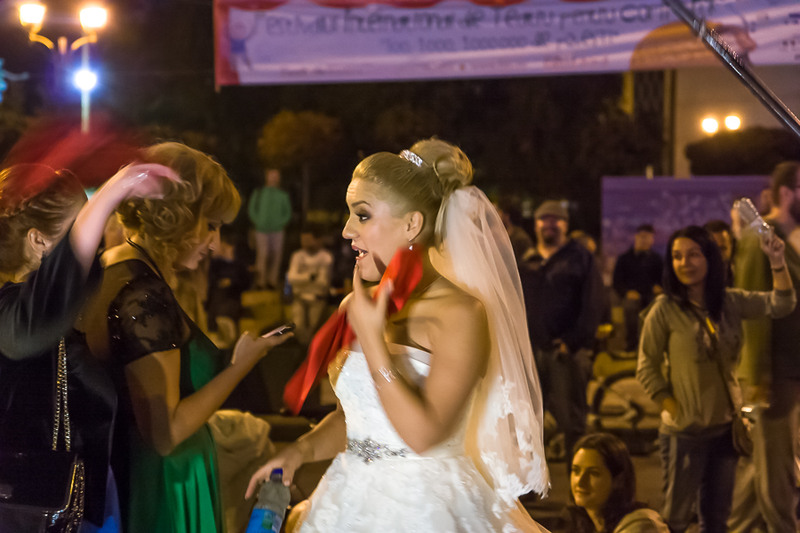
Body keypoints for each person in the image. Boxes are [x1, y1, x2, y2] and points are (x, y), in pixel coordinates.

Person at [247, 139, 549, 531]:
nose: (347, 230)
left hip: (428, 509)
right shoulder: (358, 305)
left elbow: (423, 434)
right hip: (348, 500)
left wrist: (374, 344)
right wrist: (298, 452)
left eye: (362, 215)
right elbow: (355, 419)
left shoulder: (461, 314)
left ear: (411, 225)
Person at [79, 142, 292, 533]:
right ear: (176, 216)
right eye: (210, 225)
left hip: (124, 477)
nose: (214, 242)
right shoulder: (145, 293)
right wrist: (240, 365)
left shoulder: (109, 265)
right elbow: (166, 435)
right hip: (163, 486)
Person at [0, 161, 178, 532]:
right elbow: (33, 322)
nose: (93, 241)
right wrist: (113, 191)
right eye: (81, 226)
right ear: (38, 241)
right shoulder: (13, 315)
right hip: (31, 512)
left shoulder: (50, 317)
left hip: (66, 502)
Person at [636, 225, 795, 533]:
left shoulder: (730, 302)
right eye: (677, 256)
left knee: (717, 520)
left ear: (710, 258)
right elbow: (646, 368)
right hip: (684, 434)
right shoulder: (664, 310)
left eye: (694, 254)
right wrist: (673, 407)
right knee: (676, 520)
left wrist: (777, 261)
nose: (685, 263)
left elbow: (782, 303)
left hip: (724, 431)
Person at [731, 161, 800, 533]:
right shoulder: (759, 237)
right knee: (777, 468)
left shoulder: (788, 237)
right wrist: (758, 376)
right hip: (774, 371)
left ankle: (734, 526)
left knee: (767, 462)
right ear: (787, 193)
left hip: (789, 369)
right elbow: (755, 309)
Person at [521, 199, 606, 472]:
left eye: (556, 219)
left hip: (565, 353)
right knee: (528, 422)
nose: (549, 224)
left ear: (566, 225)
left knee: (572, 423)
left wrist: (573, 341)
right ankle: (531, 485)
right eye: (543, 219)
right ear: (535, 225)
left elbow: (593, 304)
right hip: (531, 352)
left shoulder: (580, 258)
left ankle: (577, 482)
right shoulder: (527, 260)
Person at [564, 432, 669, 533]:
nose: (580, 482)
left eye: (593, 473)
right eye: (576, 471)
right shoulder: (585, 524)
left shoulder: (639, 526)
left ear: (618, 480)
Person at [612, 224, 663, 352]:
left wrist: (659, 287)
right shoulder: (624, 259)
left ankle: (652, 345)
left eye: (648, 237)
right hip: (632, 295)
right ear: (636, 237)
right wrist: (626, 292)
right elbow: (617, 281)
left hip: (650, 295)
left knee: (655, 309)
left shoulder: (657, 259)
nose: (644, 240)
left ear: (652, 240)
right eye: (642, 237)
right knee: (630, 307)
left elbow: (663, 279)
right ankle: (632, 345)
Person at [286, 223, 334, 345]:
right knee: (298, 325)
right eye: (303, 240)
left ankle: (311, 350)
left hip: (317, 299)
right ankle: (304, 349)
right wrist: (310, 277)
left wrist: (301, 280)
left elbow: (322, 283)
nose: (304, 244)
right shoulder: (297, 256)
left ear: (318, 240)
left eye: (308, 240)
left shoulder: (325, 257)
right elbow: (291, 278)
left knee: (315, 328)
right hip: (299, 298)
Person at [206, 224, 251, 347]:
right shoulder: (216, 264)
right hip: (217, 298)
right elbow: (211, 280)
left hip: (232, 297)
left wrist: (231, 282)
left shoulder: (239, 265)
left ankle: (227, 336)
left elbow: (246, 283)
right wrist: (219, 282)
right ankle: (216, 331)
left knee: (225, 307)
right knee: (216, 299)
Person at [248, 167, 292, 290]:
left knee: (276, 255)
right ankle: (260, 281)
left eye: (276, 176)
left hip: (278, 229)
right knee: (262, 254)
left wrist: (281, 223)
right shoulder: (259, 193)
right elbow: (252, 208)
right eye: (271, 175)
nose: (273, 178)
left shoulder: (283, 195)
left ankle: (272, 281)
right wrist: (257, 221)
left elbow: (287, 212)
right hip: (261, 229)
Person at [703, 219, 734, 286]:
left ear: (731, 247)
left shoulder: (740, 277)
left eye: (722, 249)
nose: (718, 255)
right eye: (713, 249)